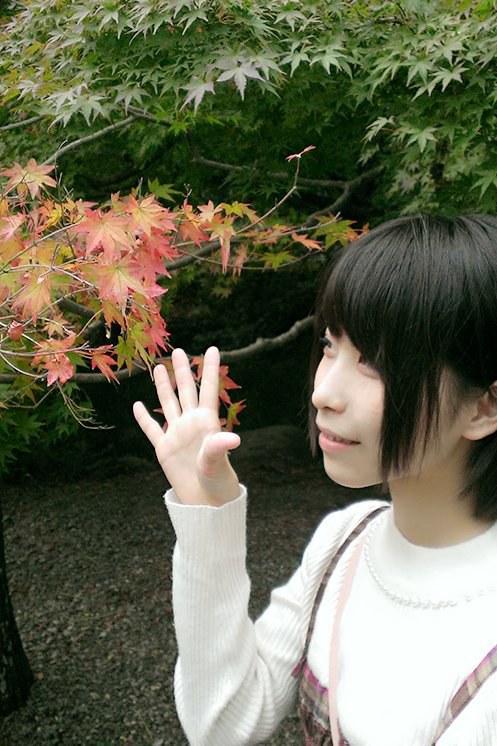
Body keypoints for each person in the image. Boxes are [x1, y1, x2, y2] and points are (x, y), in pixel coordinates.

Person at [133, 214, 497, 746]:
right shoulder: (346, 542)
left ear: (484, 408)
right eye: (329, 345)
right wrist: (208, 517)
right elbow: (224, 724)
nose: (323, 391)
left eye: (375, 361)